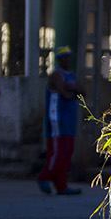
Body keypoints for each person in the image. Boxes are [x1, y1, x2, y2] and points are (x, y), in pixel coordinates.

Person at [37, 45, 85, 196]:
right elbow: (67, 95)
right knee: (57, 151)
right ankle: (44, 176)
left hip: (69, 119)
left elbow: (82, 92)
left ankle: (61, 185)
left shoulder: (70, 75)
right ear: (59, 59)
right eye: (65, 57)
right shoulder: (56, 75)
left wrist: (73, 89)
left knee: (68, 150)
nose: (68, 59)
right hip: (57, 118)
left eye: (69, 56)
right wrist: (72, 89)